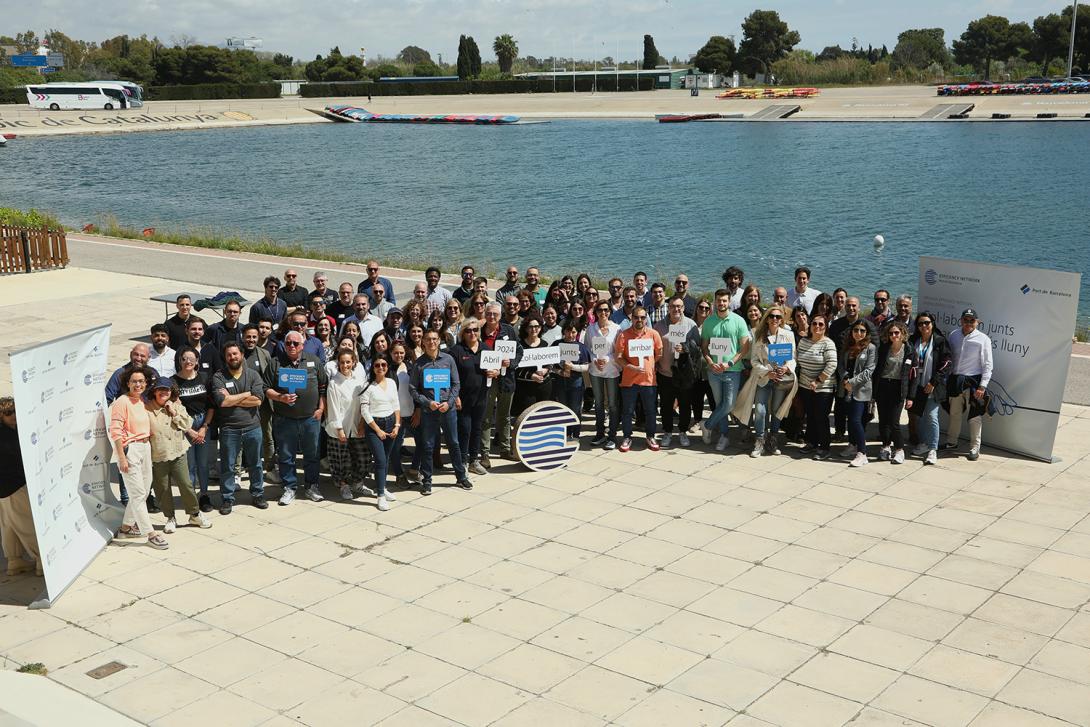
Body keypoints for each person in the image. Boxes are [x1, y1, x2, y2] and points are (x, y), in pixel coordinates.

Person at [266, 331, 327, 505]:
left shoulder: (313, 361)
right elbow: (265, 387)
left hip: (310, 418)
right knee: (286, 455)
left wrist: (321, 408)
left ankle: (311, 486)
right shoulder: (275, 363)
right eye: (288, 343)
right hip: (285, 418)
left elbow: (323, 386)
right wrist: (280, 397)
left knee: (312, 454)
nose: (292, 346)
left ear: (302, 345)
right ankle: (289, 487)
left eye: (295, 343)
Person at [410, 330, 473, 494]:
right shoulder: (419, 363)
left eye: (435, 339)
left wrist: (449, 402)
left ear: (439, 341)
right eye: (428, 339)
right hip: (429, 411)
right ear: (423, 342)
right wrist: (427, 402)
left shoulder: (448, 359)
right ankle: (427, 480)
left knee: (453, 443)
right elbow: (413, 389)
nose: (431, 342)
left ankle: (461, 476)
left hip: (448, 409)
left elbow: (456, 384)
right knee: (428, 446)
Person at [109, 368, 166, 549]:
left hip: (145, 447)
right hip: (130, 449)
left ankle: (125, 528)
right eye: (134, 381)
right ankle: (149, 534)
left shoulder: (143, 400)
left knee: (142, 492)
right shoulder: (122, 402)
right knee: (138, 494)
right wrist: (121, 457)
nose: (138, 384)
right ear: (128, 383)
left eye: (141, 381)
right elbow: (115, 431)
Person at [732, 305, 798, 458]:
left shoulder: (788, 335)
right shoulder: (759, 335)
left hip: (781, 379)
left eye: (778, 317)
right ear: (767, 318)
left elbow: (793, 358)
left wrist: (786, 368)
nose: (775, 319)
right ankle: (760, 440)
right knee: (761, 411)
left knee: (776, 411)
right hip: (764, 378)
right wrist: (767, 372)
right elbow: (754, 360)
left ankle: (772, 440)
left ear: (782, 320)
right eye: (772, 316)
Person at [146, 377, 210, 532]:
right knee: (162, 488)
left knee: (186, 484)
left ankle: (194, 514)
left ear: (171, 392)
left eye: (167, 390)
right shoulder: (146, 409)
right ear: (154, 391)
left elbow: (187, 425)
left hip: (178, 452)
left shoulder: (177, 406)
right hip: (158, 454)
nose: (163, 392)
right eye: (160, 389)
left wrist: (174, 412)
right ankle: (170, 518)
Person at [211, 342, 267, 513]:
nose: (232, 357)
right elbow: (223, 402)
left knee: (255, 464)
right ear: (225, 357)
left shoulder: (253, 375)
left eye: (235, 354)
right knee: (228, 465)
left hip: (253, 427)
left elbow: (258, 400)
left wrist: (232, 399)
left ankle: (258, 493)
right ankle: (227, 498)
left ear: (242, 355)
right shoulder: (218, 377)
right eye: (229, 355)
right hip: (229, 429)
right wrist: (246, 394)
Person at [700, 289, 751, 451]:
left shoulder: (739, 321)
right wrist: (709, 362)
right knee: (719, 403)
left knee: (728, 405)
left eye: (724, 301)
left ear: (729, 302)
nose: (721, 303)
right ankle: (724, 435)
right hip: (713, 370)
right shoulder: (708, 322)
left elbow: (744, 348)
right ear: (714, 301)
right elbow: (704, 347)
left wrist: (729, 363)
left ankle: (707, 425)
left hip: (732, 370)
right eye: (718, 300)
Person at [943, 307, 993, 461]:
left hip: (974, 382)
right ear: (961, 320)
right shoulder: (953, 335)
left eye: (972, 321)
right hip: (956, 381)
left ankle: (974, 447)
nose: (968, 323)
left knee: (975, 417)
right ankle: (951, 443)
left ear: (977, 322)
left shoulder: (983, 339)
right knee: (954, 413)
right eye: (966, 320)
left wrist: (982, 386)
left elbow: (988, 365)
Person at [325, 349, 374, 501]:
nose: (345, 365)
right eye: (342, 362)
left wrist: (361, 423)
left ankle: (357, 482)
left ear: (353, 362)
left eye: (348, 362)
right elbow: (333, 407)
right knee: (341, 461)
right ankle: (343, 485)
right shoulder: (334, 383)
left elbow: (364, 404)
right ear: (338, 363)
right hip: (339, 429)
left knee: (364, 458)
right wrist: (339, 429)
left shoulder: (360, 382)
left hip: (357, 427)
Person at [0, 397, 41, 576]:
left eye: (16, 411)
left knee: (8, 525)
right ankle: (40, 559)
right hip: (14, 485)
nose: (13, 416)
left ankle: (15, 561)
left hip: (5, 488)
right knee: (26, 522)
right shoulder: (7, 436)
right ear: (1, 415)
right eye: (9, 413)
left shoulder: (11, 431)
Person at [653, 295, 701, 448]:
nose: (676, 309)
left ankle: (682, 432)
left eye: (679, 306)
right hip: (665, 373)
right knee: (666, 405)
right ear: (668, 307)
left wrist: (686, 348)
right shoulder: (659, 326)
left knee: (685, 405)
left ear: (683, 308)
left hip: (684, 374)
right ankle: (667, 432)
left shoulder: (691, 325)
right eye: (673, 306)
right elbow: (654, 348)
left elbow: (698, 348)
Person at [172, 348, 216, 511]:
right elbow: (174, 409)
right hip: (185, 426)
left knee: (203, 464)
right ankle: (191, 499)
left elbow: (212, 406)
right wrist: (189, 430)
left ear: (197, 361)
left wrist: (205, 427)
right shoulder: (174, 382)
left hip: (203, 422)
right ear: (180, 361)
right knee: (189, 465)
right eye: (184, 358)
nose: (188, 361)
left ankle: (204, 495)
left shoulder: (205, 378)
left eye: (192, 358)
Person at [615, 307, 663, 452]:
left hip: (649, 381)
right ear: (632, 318)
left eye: (642, 317)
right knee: (628, 411)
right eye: (636, 317)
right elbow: (618, 357)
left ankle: (650, 436)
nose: (639, 320)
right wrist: (630, 367)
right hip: (629, 381)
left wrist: (651, 364)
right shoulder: (624, 335)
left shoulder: (653, 334)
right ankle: (627, 437)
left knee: (650, 411)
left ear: (646, 318)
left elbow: (659, 352)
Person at [908, 312, 951, 465]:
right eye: (920, 323)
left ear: (932, 323)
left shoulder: (940, 341)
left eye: (927, 322)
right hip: (916, 386)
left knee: (932, 417)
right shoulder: (914, 340)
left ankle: (933, 449)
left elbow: (946, 364)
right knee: (918, 416)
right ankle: (924, 444)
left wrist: (933, 382)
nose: (924, 326)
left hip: (932, 386)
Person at [480, 302, 519, 465]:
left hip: (506, 379)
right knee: (486, 416)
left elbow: (519, 351)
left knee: (504, 415)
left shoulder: (508, 331)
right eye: (489, 313)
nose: (491, 317)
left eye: (495, 314)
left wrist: (511, 362)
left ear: (500, 315)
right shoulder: (479, 332)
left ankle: (504, 449)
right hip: (486, 379)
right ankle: (484, 453)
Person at [361, 354, 402, 511]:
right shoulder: (368, 386)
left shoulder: (391, 382)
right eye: (377, 365)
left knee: (386, 459)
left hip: (391, 422)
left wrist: (397, 425)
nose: (381, 368)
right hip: (374, 426)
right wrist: (377, 430)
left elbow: (396, 404)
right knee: (380, 460)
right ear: (373, 368)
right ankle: (380, 496)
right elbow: (364, 411)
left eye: (383, 365)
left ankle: (382, 487)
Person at [874, 321, 918, 465]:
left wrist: (910, 397)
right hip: (883, 386)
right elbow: (877, 371)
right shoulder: (883, 348)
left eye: (897, 333)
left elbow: (914, 377)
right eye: (891, 333)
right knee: (883, 421)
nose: (894, 336)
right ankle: (886, 446)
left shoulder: (910, 350)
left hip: (898, 388)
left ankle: (899, 449)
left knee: (894, 422)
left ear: (903, 334)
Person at [796, 314, 838, 460]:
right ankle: (811, 443)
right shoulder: (803, 342)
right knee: (810, 416)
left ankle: (825, 447)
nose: (817, 326)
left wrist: (818, 381)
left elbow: (832, 364)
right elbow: (797, 359)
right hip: (805, 385)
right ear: (810, 325)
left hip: (824, 387)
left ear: (825, 327)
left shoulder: (828, 343)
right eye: (814, 323)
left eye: (821, 324)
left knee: (821, 417)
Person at [450, 318, 489, 474]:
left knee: (477, 429)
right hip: (463, 398)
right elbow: (451, 376)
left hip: (481, 397)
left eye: (475, 330)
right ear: (462, 333)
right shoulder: (456, 351)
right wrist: (456, 396)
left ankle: (474, 460)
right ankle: (463, 461)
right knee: (464, 430)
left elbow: (494, 371)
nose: (472, 333)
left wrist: (496, 372)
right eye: (468, 330)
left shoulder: (486, 349)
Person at [838, 321, 877, 467]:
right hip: (846, 388)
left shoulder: (870, 348)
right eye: (856, 330)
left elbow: (868, 371)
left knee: (856, 420)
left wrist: (852, 382)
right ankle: (852, 444)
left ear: (866, 333)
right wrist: (845, 378)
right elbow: (841, 365)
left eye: (862, 331)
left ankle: (862, 453)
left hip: (861, 390)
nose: (858, 333)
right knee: (850, 419)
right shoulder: (847, 346)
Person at [586, 301, 622, 449]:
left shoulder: (617, 329)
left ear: (610, 312)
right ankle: (600, 433)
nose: (603, 312)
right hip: (595, 371)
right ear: (596, 312)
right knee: (599, 403)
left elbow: (619, 350)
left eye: (606, 310)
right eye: (600, 310)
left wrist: (608, 358)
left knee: (613, 404)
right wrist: (595, 359)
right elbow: (588, 348)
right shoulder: (591, 329)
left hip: (612, 370)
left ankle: (612, 436)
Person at [552, 322, 591, 440]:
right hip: (560, 381)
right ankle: (565, 433)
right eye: (568, 331)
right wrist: (559, 372)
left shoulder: (581, 347)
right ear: (564, 332)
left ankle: (575, 434)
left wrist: (572, 367)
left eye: (573, 332)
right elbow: (549, 364)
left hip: (576, 381)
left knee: (575, 408)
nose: (570, 334)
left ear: (577, 333)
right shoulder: (556, 344)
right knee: (563, 408)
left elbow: (586, 367)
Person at [514, 315, 555, 416]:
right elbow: (515, 367)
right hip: (525, 389)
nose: (534, 329)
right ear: (526, 328)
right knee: (526, 417)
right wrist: (531, 375)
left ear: (541, 328)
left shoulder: (545, 344)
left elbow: (550, 363)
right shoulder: (519, 345)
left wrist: (546, 370)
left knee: (543, 416)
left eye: (537, 326)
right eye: (530, 326)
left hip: (544, 388)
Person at [388, 341, 416, 488]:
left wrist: (418, 410)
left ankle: (414, 469)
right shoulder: (386, 369)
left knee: (423, 443)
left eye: (401, 353)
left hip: (411, 412)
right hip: (395, 415)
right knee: (395, 446)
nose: (399, 355)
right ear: (391, 353)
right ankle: (399, 475)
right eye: (395, 353)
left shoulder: (411, 367)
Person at [690, 299, 714, 430]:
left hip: (710, 366)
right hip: (695, 366)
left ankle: (713, 422)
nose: (703, 310)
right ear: (696, 308)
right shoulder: (691, 325)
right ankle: (697, 420)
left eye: (706, 308)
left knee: (712, 396)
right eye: (701, 307)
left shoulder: (713, 325)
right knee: (697, 396)